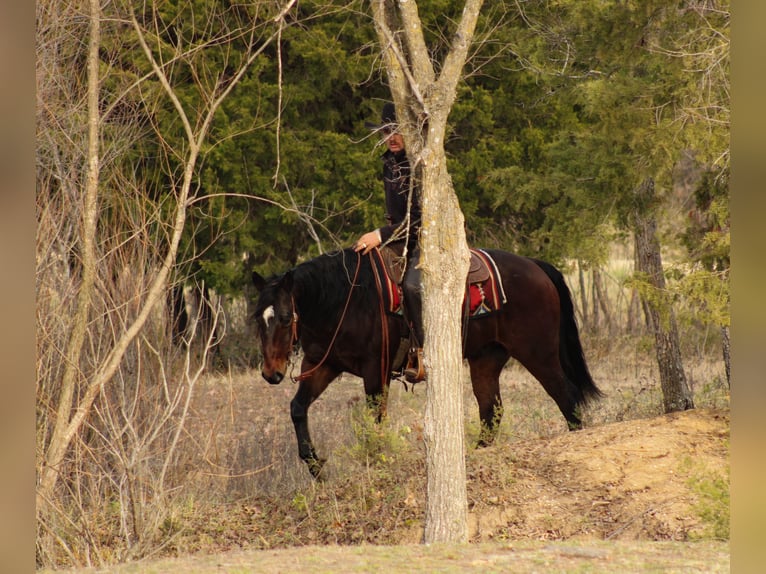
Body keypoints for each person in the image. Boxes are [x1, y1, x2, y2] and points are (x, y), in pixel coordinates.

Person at [354, 102, 425, 383]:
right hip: (400, 239)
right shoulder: (389, 163)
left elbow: (421, 220)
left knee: (412, 286)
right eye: (385, 132)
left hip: (426, 241)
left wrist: (380, 235)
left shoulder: (419, 165)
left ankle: (424, 353)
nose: (391, 138)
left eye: (397, 131)